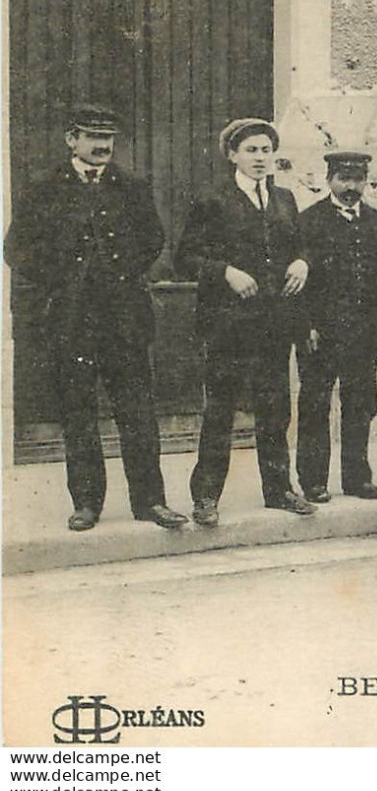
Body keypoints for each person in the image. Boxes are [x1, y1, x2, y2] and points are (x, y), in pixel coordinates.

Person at [4, 106, 187, 532]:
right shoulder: (44, 188)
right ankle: (86, 503)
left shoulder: (131, 186)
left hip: (125, 318)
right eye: (92, 136)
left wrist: (123, 274)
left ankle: (150, 501)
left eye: (108, 137)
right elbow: (16, 249)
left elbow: (152, 238)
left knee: (138, 412)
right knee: (78, 413)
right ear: (71, 139)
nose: (102, 145)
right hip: (71, 320)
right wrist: (61, 279)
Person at [176, 118, 314, 525]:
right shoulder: (212, 200)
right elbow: (186, 257)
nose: (260, 158)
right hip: (229, 326)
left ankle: (279, 490)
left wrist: (304, 261)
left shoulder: (285, 199)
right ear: (233, 155)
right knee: (220, 412)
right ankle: (205, 498)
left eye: (266, 150)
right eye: (251, 150)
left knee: (275, 411)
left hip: (275, 324)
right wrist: (225, 272)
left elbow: (301, 244)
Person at [295, 151, 377, 502]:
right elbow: (296, 282)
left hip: (362, 336)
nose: (351, 187)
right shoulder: (308, 221)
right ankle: (313, 482)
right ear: (329, 180)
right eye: (344, 179)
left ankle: (357, 478)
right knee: (315, 406)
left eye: (358, 180)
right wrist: (304, 326)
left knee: (360, 405)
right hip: (320, 335)